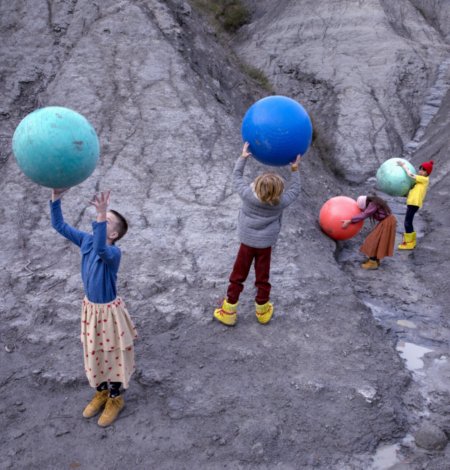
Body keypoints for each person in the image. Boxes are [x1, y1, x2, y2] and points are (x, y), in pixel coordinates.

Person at [50, 189, 137, 427]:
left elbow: (101, 248)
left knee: (113, 354)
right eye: (101, 216)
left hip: (109, 314)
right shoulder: (86, 241)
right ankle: (100, 392)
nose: (100, 219)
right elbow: (59, 225)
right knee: (93, 352)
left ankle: (115, 398)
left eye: (106, 220)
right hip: (91, 310)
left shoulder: (113, 253)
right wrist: (55, 199)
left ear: (114, 233)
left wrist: (99, 214)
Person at [213, 142, 301, 326]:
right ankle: (262, 310)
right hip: (265, 245)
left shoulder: (247, 194)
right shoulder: (281, 202)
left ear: (257, 186)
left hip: (246, 242)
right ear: (279, 191)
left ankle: (229, 310)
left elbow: (236, 177)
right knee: (263, 277)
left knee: (238, 275)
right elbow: (295, 190)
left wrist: (243, 157)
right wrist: (294, 169)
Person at [342, 195, 397, 270]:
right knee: (378, 241)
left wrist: (350, 221)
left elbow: (365, 214)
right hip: (387, 222)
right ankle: (375, 260)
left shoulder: (373, 204)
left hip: (387, 222)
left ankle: (372, 262)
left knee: (373, 241)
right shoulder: (375, 202)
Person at [397, 160, 433, 250]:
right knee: (408, 222)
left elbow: (411, 175)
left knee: (407, 222)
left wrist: (404, 166)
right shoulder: (420, 181)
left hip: (414, 204)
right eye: (420, 169)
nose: (421, 171)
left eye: (423, 170)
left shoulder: (424, 179)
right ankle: (411, 242)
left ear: (427, 173)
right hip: (412, 203)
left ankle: (409, 243)